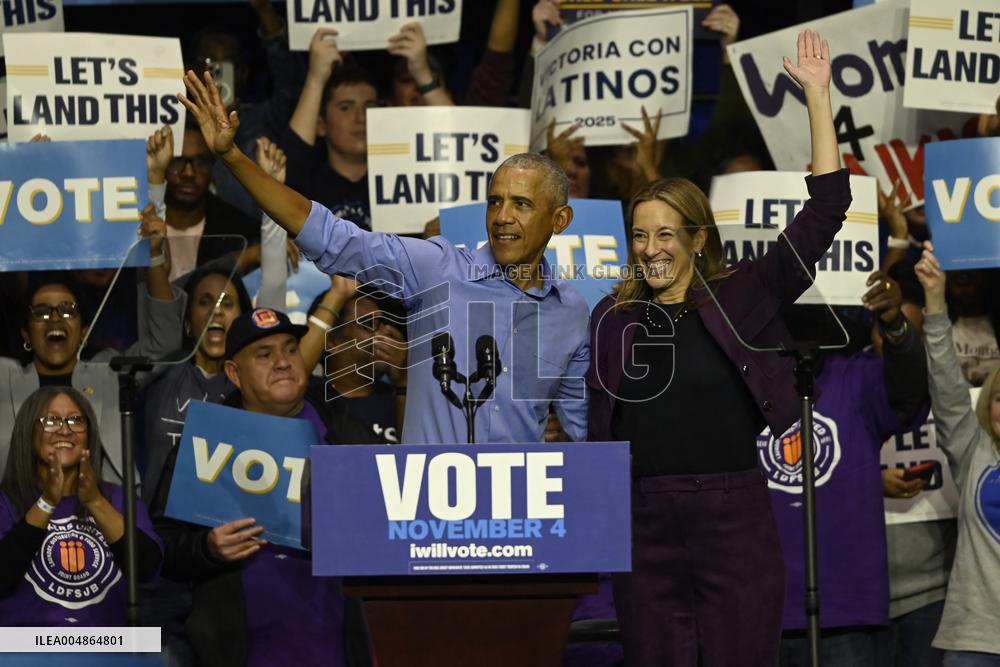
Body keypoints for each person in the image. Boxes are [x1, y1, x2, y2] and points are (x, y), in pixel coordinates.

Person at [586, 30, 848, 665]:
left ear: (699, 238)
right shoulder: (612, 317)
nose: (651, 248)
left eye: (667, 234)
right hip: (641, 521)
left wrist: (817, 96)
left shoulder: (743, 294)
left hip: (732, 516)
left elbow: (827, 208)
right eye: (640, 235)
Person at [179, 70, 590, 445]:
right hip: (430, 513)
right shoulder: (439, 268)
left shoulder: (570, 312)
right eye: (495, 201)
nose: (502, 217)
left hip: (520, 514)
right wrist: (233, 156)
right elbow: (331, 236)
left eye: (521, 204)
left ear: (560, 218)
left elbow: (582, 431)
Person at [149, 307, 375, 667]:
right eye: (264, 355)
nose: (283, 362)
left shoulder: (346, 433)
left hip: (337, 647)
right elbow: (160, 548)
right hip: (237, 651)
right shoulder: (204, 444)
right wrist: (207, 548)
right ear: (234, 374)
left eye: (290, 349)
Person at [772, 270, 928, 666]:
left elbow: (908, 391)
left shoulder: (856, 378)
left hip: (846, 612)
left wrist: (895, 326)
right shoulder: (744, 385)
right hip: (760, 610)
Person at [0, 207, 185, 485]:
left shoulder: (109, 373)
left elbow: (164, 343)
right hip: (20, 516)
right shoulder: (5, 378)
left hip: (102, 513)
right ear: (26, 334)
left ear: (83, 331)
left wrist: (155, 255)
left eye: (67, 310)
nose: (54, 319)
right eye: (41, 312)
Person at [0, 387, 161, 624]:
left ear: (89, 434)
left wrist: (96, 502)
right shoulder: (6, 501)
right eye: (51, 420)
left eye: (76, 420)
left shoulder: (119, 499)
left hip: (105, 651)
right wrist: (46, 503)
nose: (65, 430)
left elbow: (147, 569)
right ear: (29, 432)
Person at [916, 243, 1000, 666]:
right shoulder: (974, 450)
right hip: (976, 641)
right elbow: (947, 387)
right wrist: (934, 299)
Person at [281, 30, 378, 230]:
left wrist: (423, 74)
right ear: (321, 124)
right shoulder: (307, 184)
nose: (361, 118)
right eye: (346, 107)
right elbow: (294, 154)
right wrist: (316, 78)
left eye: (369, 107)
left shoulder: (405, 184)